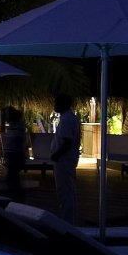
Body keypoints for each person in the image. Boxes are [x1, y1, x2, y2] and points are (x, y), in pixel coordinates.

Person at [50, 92, 82, 223]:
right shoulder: (69, 118)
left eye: (56, 102)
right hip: (67, 159)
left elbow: (67, 141)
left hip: (64, 160)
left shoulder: (67, 119)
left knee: (64, 190)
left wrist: (56, 155)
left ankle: (67, 220)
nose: (54, 105)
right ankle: (69, 217)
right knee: (68, 189)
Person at [0, 105, 28, 199]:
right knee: (13, 177)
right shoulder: (16, 126)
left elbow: (17, 142)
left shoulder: (17, 128)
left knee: (12, 176)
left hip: (15, 154)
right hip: (14, 154)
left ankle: (15, 196)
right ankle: (16, 195)